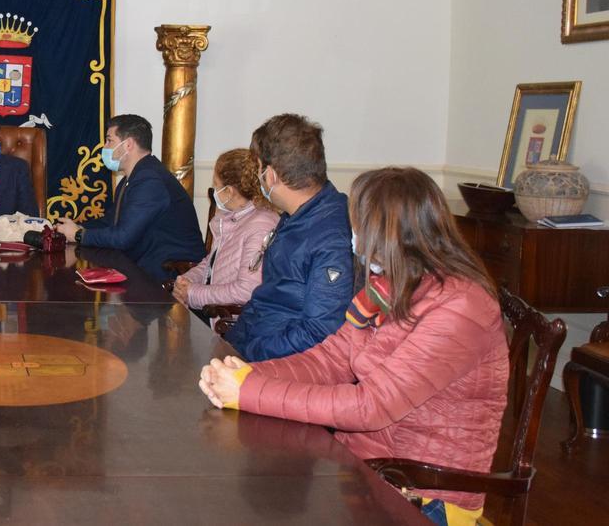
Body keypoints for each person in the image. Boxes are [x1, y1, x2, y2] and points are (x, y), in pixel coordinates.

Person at [199, 167, 509, 526]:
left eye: (359, 227)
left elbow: (370, 406)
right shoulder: (390, 285)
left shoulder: (460, 307)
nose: (353, 239)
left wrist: (251, 391)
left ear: (389, 235)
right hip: (368, 468)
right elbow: (332, 358)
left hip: (422, 494)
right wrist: (248, 373)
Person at [222, 113, 354, 361]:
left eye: (259, 169)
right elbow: (267, 298)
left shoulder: (332, 236)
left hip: (281, 366)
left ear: (270, 175)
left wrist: (247, 356)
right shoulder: (295, 215)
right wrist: (227, 346)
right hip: (254, 344)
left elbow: (318, 331)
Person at [55, 114, 204, 281]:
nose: (104, 146)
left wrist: (79, 235)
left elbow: (122, 237)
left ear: (128, 145)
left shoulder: (149, 180)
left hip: (170, 271)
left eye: (109, 140)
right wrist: (75, 227)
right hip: (145, 262)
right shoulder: (133, 177)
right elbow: (111, 222)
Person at [172, 148, 279, 313]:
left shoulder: (260, 227)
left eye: (216, 185)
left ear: (229, 191)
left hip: (232, 320)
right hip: (214, 308)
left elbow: (246, 291)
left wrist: (193, 293)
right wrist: (187, 280)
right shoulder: (233, 217)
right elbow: (212, 262)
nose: (214, 190)